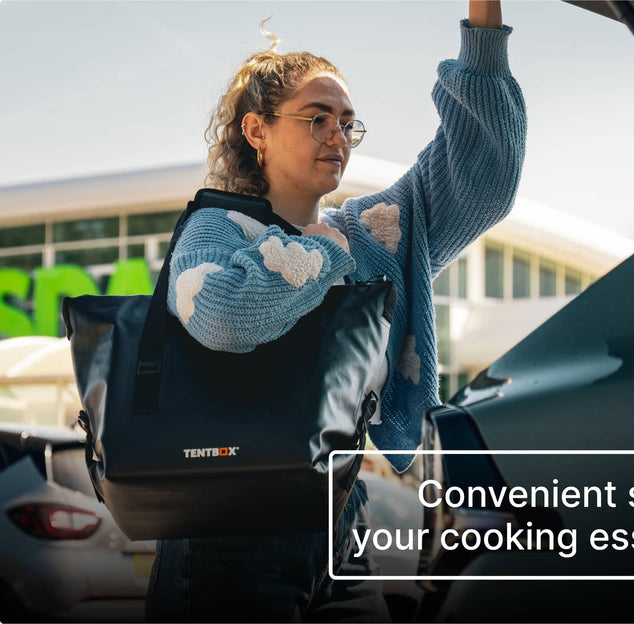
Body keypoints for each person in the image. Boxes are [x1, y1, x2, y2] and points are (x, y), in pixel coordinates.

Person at [145, 1, 526, 620]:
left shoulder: (374, 233)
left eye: (347, 122)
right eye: (316, 118)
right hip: (228, 538)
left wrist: (483, 20)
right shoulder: (216, 228)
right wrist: (323, 251)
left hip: (344, 528)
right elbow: (222, 316)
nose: (336, 135)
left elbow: (484, 172)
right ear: (256, 131)